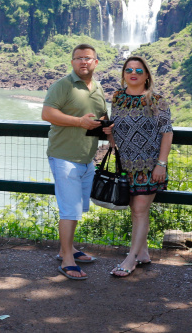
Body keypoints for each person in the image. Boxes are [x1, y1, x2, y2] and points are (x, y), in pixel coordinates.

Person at [41, 43, 108, 280]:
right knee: (69, 210)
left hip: (87, 158)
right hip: (64, 156)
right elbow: (47, 114)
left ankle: (66, 249)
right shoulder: (63, 85)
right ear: (72, 62)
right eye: (78, 58)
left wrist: (106, 128)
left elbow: (100, 116)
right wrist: (79, 122)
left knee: (77, 209)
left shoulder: (98, 88)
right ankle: (67, 260)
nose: (83, 62)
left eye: (88, 58)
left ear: (95, 62)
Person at [102, 56, 173, 277]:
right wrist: (109, 132)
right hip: (126, 166)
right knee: (136, 211)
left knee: (140, 211)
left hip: (150, 167)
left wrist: (161, 164)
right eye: (129, 70)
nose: (133, 73)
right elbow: (115, 128)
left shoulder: (157, 100)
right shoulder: (117, 98)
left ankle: (130, 259)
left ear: (147, 75)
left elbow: (167, 132)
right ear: (123, 74)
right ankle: (142, 253)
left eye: (139, 70)